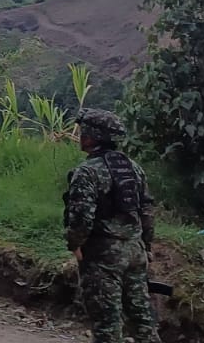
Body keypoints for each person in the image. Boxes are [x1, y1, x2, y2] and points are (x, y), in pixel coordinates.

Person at [66, 108, 160, 343]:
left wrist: (75, 244)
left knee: (107, 324)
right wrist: (146, 245)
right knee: (142, 320)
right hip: (135, 251)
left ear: (91, 136)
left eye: (83, 131)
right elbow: (146, 211)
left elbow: (80, 218)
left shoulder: (86, 172)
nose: (80, 135)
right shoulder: (134, 168)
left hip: (103, 257)